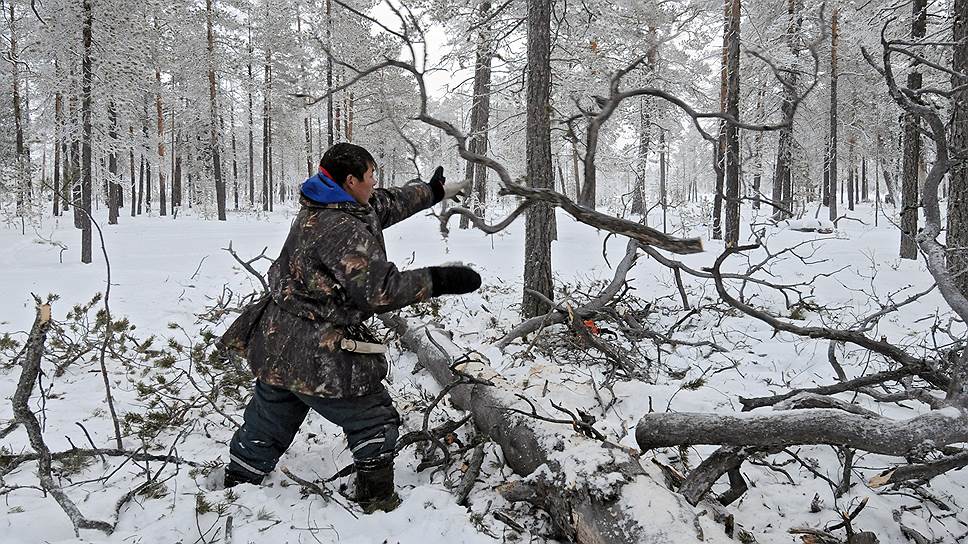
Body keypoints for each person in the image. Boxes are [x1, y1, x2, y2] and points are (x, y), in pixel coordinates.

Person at [218, 143, 480, 513]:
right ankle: (377, 502)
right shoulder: (341, 228)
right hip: (317, 348)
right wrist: (441, 279)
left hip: (278, 341)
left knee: (272, 412)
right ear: (351, 180)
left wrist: (435, 191)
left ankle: (236, 485)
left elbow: (387, 203)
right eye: (371, 176)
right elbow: (379, 291)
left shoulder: (332, 201)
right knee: (373, 418)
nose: (375, 183)